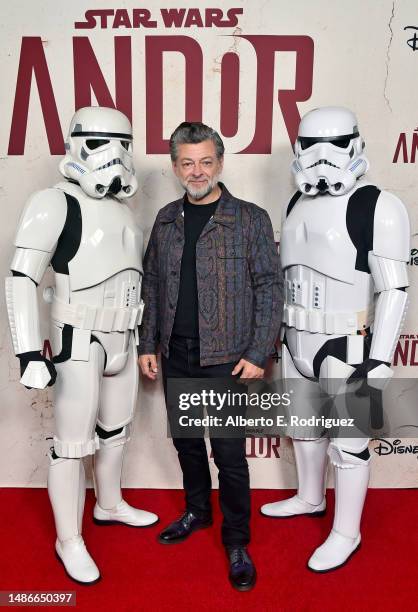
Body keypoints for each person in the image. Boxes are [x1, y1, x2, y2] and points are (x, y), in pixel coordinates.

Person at [5, 106, 159, 585]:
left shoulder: (124, 210)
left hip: (124, 337)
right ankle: (68, 539)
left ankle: (109, 504)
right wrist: (29, 351)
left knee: (116, 431)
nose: (113, 156)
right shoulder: (52, 203)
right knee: (72, 446)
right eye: (98, 143)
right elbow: (22, 276)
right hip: (79, 339)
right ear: (75, 145)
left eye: (123, 145)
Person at [261, 106, 410, 572]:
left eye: (335, 144)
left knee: (348, 442)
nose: (322, 157)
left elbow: (395, 287)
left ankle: (347, 531)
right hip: (296, 340)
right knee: (304, 431)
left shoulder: (378, 205)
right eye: (310, 146)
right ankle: (309, 497)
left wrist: (380, 357)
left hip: (348, 343)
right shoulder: (293, 202)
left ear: (356, 144)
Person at [138, 121, 282, 591]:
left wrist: (259, 350)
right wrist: (146, 344)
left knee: (229, 455)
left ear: (219, 163)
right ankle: (197, 511)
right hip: (176, 353)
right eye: (186, 163)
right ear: (175, 166)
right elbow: (153, 285)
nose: (196, 171)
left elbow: (269, 286)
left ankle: (237, 538)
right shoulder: (164, 220)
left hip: (227, 359)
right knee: (186, 445)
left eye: (205, 161)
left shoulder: (250, 218)